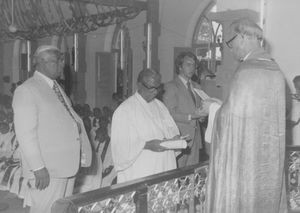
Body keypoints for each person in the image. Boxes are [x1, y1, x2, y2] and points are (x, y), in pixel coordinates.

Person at [205, 18, 287, 213]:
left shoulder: (247, 70)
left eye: (231, 43)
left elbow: (230, 121)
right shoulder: (274, 69)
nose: (231, 50)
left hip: (244, 157)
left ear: (242, 37)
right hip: (267, 156)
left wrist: (214, 109)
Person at [12, 45, 92, 213]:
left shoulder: (55, 87)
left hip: (65, 166)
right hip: (47, 170)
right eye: (58, 61)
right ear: (42, 62)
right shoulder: (27, 90)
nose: (62, 65)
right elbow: (26, 134)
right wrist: (38, 168)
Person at [111, 68, 182, 183]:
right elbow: (120, 147)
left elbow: (171, 129)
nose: (155, 92)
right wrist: (147, 145)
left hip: (165, 166)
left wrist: (175, 138)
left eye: (158, 87)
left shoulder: (160, 106)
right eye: (151, 87)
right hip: (142, 170)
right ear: (139, 85)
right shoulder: (125, 110)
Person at [163, 51, 208, 167]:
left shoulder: (197, 86)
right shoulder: (171, 86)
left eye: (194, 65)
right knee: (176, 174)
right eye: (188, 64)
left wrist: (202, 118)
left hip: (196, 139)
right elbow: (170, 114)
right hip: (179, 137)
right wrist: (192, 116)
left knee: (192, 176)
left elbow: (199, 110)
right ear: (180, 67)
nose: (192, 68)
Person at [286, 75, 300, 145]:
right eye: (296, 88)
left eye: (298, 88)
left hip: (297, 147)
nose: (297, 91)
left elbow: (288, 123)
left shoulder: (297, 106)